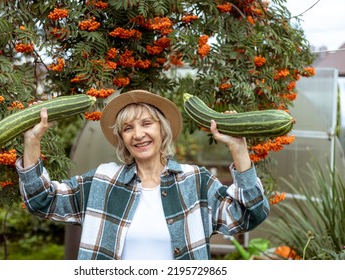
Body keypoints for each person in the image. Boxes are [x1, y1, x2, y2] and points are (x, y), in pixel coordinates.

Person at [16, 89, 270, 260]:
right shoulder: (102, 182)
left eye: (147, 124)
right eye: (128, 128)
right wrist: (32, 140)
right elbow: (41, 200)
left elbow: (250, 215)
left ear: (163, 129)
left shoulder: (195, 181)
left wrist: (238, 148)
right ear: (122, 139)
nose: (138, 135)